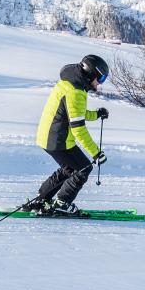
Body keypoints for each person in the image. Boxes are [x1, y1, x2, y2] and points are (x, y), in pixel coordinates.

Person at [30, 54, 110, 215]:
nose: (100, 84)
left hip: (49, 136)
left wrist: (95, 114)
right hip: (58, 138)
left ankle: (41, 199)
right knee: (83, 168)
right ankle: (62, 203)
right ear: (92, 74)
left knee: (69, 169)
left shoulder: (70, 83)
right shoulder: (76, 91)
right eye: (101, 79)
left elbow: (75, 112)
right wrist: (96, 153)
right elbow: (78, 128)